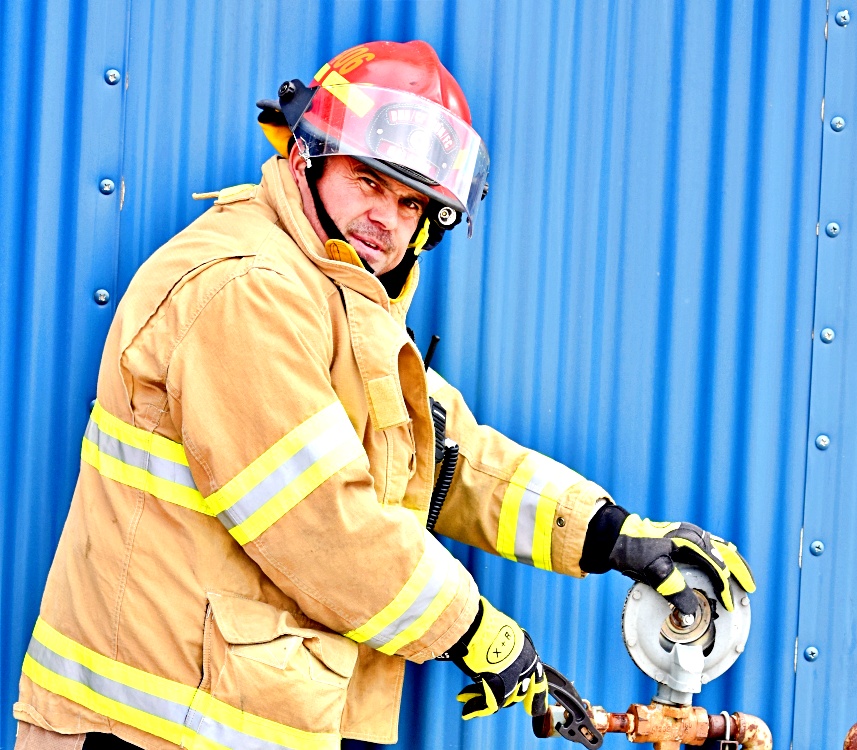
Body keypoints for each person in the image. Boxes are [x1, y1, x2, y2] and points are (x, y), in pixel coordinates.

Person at [13, 40, 754, 750]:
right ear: (307, 158)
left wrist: (611, 534)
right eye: (369, 181)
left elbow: (448, 456)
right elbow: (322, 523)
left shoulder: (335, 293)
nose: (387, 220)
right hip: (140, 726)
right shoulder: (248, 288)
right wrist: (473, 630)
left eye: (411, 205)